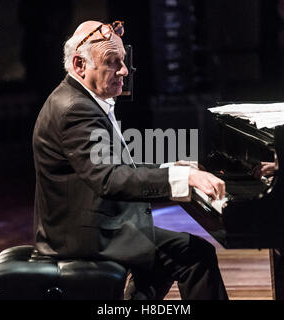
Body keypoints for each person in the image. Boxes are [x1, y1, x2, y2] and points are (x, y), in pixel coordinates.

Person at [32, 20, 228, 300]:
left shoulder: (82, 100)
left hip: (88, 226)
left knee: (163, 257)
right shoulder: (75, 110)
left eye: (123, 60)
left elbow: (115, 167)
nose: (124, 70)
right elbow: (109, 178)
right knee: (196, 254)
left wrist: (170, 168)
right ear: (79, 65)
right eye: (112, 62)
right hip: (81, 238)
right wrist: (183, 179)